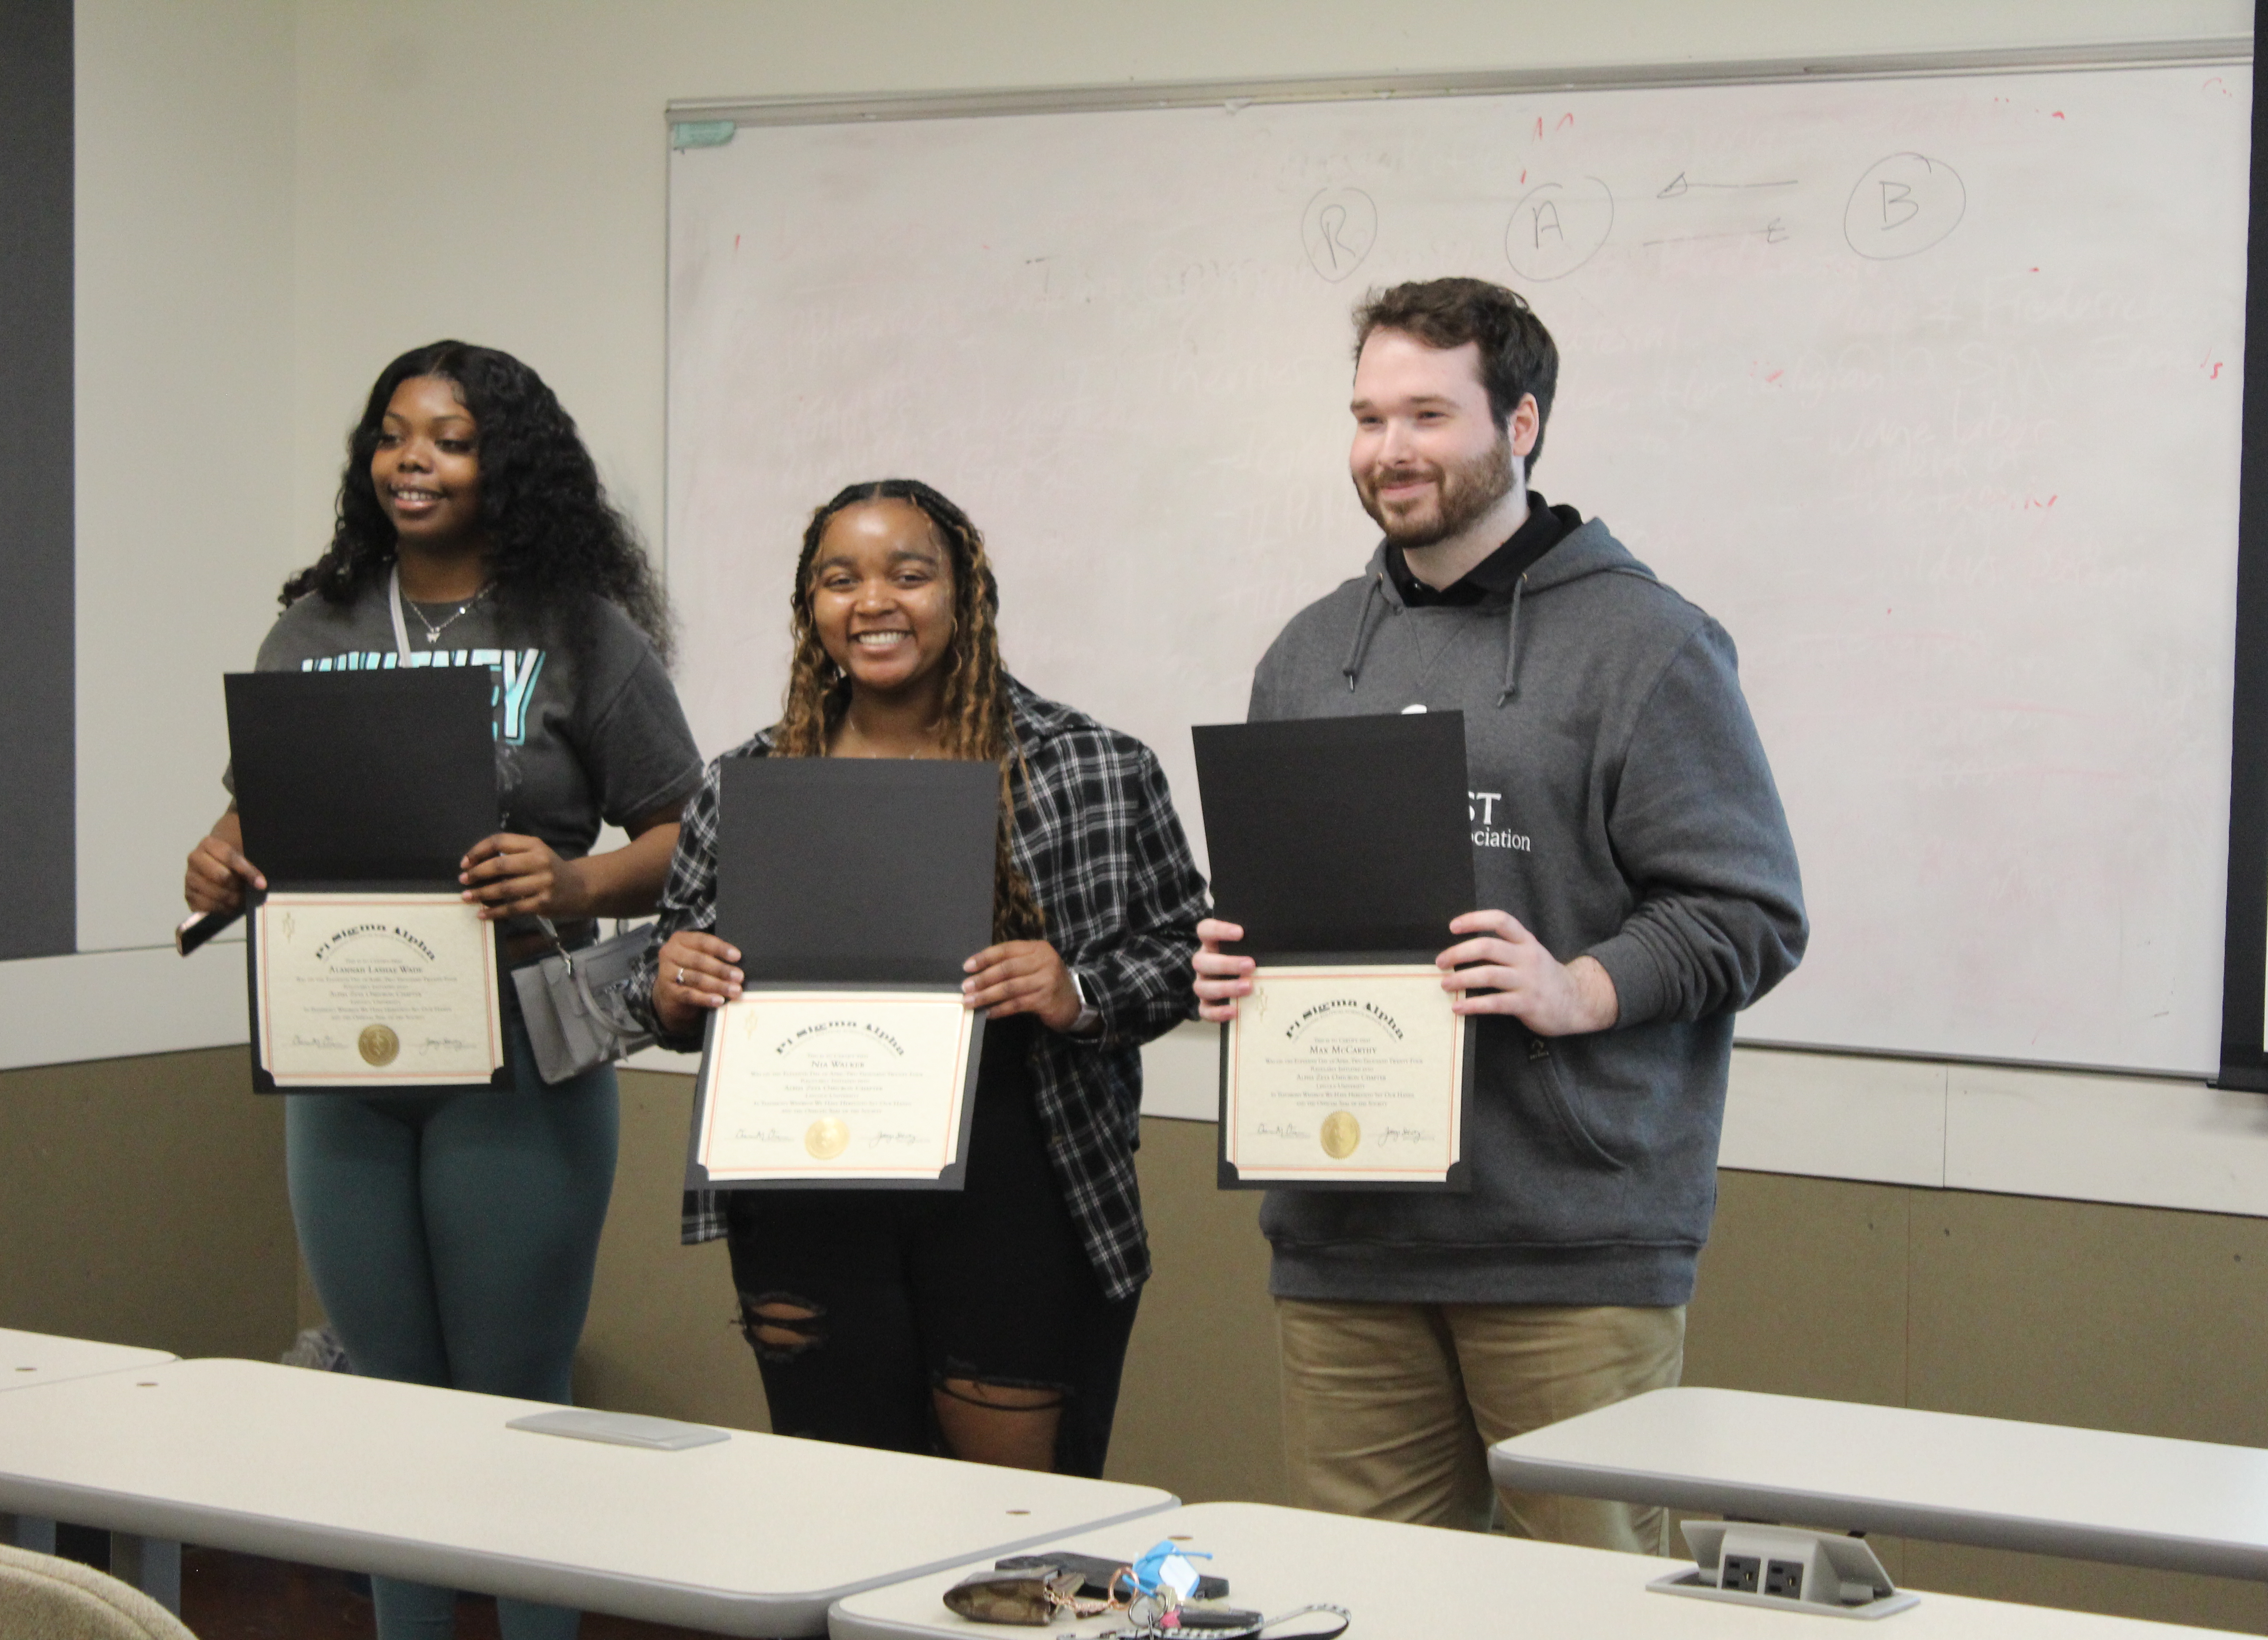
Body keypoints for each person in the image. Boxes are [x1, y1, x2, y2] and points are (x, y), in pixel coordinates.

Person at [1192, 278, 1807, 1551]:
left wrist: (1577, 986)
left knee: (1591, 1606)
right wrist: (1233, 964)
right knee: (1371, 1597)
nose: (1390, 452)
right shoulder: (1308, 656)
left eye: (1428, 414)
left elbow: (1748, 912)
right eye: (1368, 417)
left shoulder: (1649, 644)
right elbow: (1290, 901)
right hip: (1346, 1233)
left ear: (1520, 425)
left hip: (1568, 1246)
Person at [183, 341, 702, 1640]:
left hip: (518, 1055)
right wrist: (219, 854)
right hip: (343, 1059)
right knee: (386, 1410)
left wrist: (572, 883)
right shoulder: (315, 626)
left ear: (505, 466)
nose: (415, 460)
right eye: (395, 434)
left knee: (514, 1405)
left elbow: (692, 835)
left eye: (452, 439)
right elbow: (262, 816)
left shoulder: (581, 630)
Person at [620, 478, 1207, 1477]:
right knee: (842, 1513)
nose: (873, 602)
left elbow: (1190, 952)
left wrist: (1078, 990)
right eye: (840, 579)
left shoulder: (1093, 765)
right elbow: (664, 977)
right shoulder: (748, 783)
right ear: (812, 609)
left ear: (965, 594)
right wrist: (671, 980)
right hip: (806, 1186)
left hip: (1022, 1182)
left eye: (909, 574)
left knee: (1011, 1536)